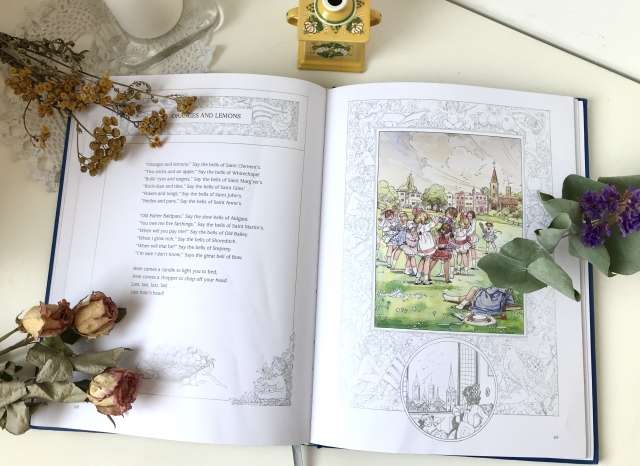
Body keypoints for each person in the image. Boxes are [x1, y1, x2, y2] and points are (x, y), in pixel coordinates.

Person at [442, 286, 516, 319]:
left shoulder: (498, 283)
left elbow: (489, 291)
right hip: (495, 308)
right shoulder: (509, 288)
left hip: (486, 304)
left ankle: (461, 304)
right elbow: (511, 302)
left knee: (474, 289)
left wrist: (483, 289)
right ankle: (449, 298)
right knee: (472, 296)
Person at [414, 212, 436, 284]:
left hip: (421, 246)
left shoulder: (418, 226)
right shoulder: (426, 226)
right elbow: (434, 223)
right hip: (427, 245)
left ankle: (417, 278)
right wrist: (432, 217)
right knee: (427, 261)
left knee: (422, 260)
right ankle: (425, 279)